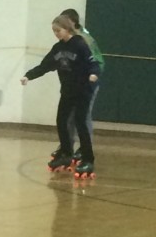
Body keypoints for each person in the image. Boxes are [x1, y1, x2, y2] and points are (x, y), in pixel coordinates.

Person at [21, 14, 99, 177]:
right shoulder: (58, 49)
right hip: (68, 90)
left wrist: (93, 74)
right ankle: (65, 153)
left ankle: (88, 159)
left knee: (80, 122)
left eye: (58, 30)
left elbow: (93, 63)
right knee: (61, 121)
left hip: (83, 90)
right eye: (54, 31)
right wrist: (28, 76)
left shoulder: (80, 44)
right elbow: (45, 66)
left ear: (67, 29)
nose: (56, 34)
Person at [60, 7, 105, 162]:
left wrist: (91, 77)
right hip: (75, 83)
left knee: (83, 115)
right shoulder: (68, 39)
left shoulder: (84, 39)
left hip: (89, 83)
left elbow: (97, 62)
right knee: (69, 116)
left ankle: (85, 147)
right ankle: (67, 146)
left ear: (72, 22)